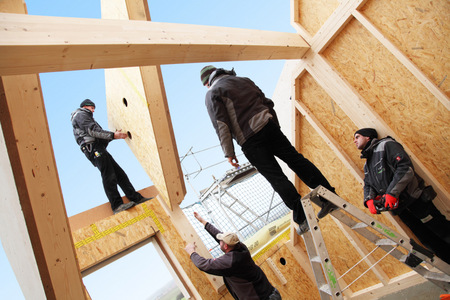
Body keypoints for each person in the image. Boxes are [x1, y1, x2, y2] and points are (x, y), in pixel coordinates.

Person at [199, 65, 338, 235]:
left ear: (207, 83)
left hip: (250, 140)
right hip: (269, 126)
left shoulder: (212, 93)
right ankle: (328, 197)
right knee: (296, 160)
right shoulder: (244, 80)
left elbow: (221, 124)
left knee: (276, 177)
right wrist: (274, 126)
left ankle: (303, 218)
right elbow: (268, 103)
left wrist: (229, 153)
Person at [354, 128, 450, 264]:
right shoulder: (367, 164)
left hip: (416, 201)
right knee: (429, 241)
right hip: (401, 210)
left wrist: (392, 193)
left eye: (357, 137)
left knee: (442, 231)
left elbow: (405, 168)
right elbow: (368, 184)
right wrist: (369, 200)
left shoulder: (386, 145)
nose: (355, 140)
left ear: (368, 137)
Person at [71, 99, 151, 214]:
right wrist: (113, 135)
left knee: (120, 174)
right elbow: (93, 131)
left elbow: (99, 138)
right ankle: (117, 205)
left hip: (99, 148)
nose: (93, 111)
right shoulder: (80, 115)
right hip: (93, 149)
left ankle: (136, 198)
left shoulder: (86, 116)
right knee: (108, 175)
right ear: (85, 106)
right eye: (92, 108)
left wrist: (112, 136)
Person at [184, 212, 282, 300]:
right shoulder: (241, 247)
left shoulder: (230, 261)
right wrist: (203, 221)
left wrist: (191, 251)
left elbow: (204, 265)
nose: (219, 242)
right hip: (271, 293)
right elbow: (220, 235)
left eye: (221, 242)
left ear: (226, 246)